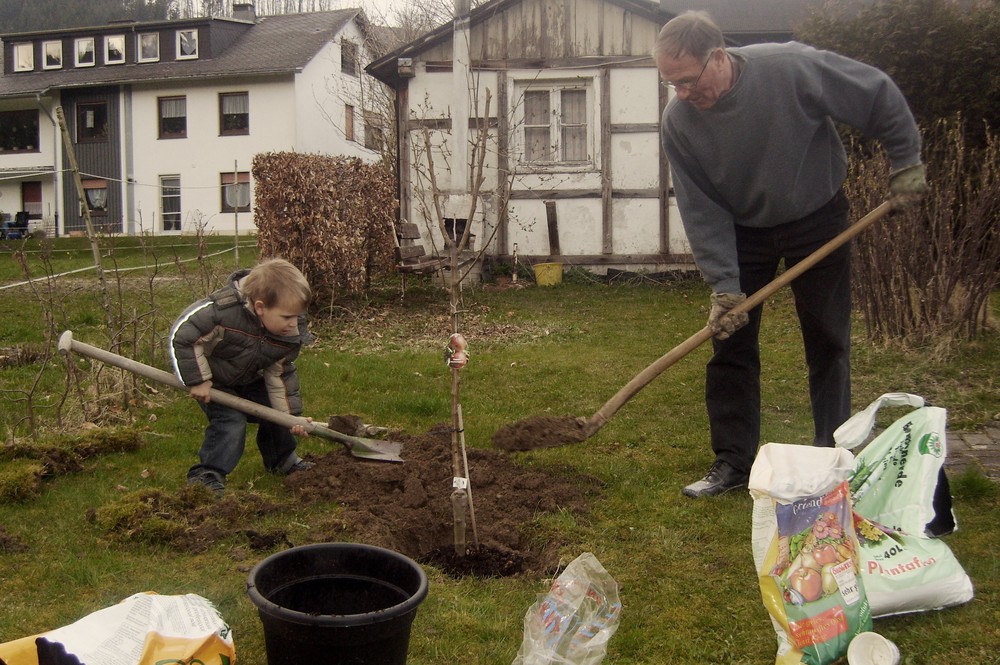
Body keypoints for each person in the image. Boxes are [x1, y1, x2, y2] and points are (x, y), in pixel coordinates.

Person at [653, 11, 927, 498]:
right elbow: (701, 207)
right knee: (730, 343)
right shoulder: (680, 122)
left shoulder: (790, 68)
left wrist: (905, 162)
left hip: (817, 218)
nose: (682, 95)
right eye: (671, 84)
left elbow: (876, 92)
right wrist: (724, 284)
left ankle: (830, 456)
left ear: (718, 57)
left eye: (688, 81)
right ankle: (733, 463)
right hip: (744, 231)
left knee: (827, 339)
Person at [169, 258, 315, 494]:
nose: (293, 324)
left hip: (247, 377)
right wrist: (198, 380)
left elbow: (280, 375)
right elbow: (184, 336)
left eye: (296, 316)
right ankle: (207, 474)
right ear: (260, 307)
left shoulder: (287, 333)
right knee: (230, 420)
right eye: (287, 317)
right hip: (213, 380)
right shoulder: (221, 313)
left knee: (274, 412)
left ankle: (283, 462)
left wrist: (290, 418)